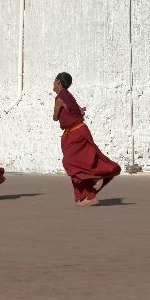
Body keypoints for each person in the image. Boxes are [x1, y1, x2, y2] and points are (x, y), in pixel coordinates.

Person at [52, 72, 121, 206]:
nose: (53, 84)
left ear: (59, 81)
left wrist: (60, 110)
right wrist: (79, 111)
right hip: (76, 131)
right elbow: (79, 110)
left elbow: (55, 117)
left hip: (76, 133)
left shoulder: (60, 98)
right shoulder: (69, 95)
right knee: (84, 161)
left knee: (69, 162)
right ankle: (88, 197)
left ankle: (96, 179)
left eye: (54, 81)